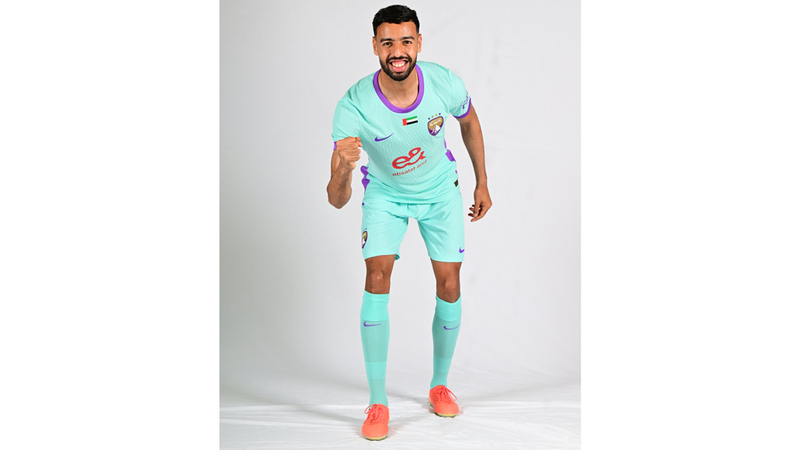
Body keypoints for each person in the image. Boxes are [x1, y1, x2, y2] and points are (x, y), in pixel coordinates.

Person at [327, 4, 492, 441]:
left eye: (405, 41)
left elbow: (470, 122)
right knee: (376, 276)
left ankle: (439, 385)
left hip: (439, 192)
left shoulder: (444, 82)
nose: (397, 51)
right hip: (386, 195)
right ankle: (377, 403)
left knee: (450, 285)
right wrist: (343, 168)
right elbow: (336, 199)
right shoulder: (353, 105)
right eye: (387, 43)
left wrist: (482, 182)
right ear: (375, 47)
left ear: (418, 42)